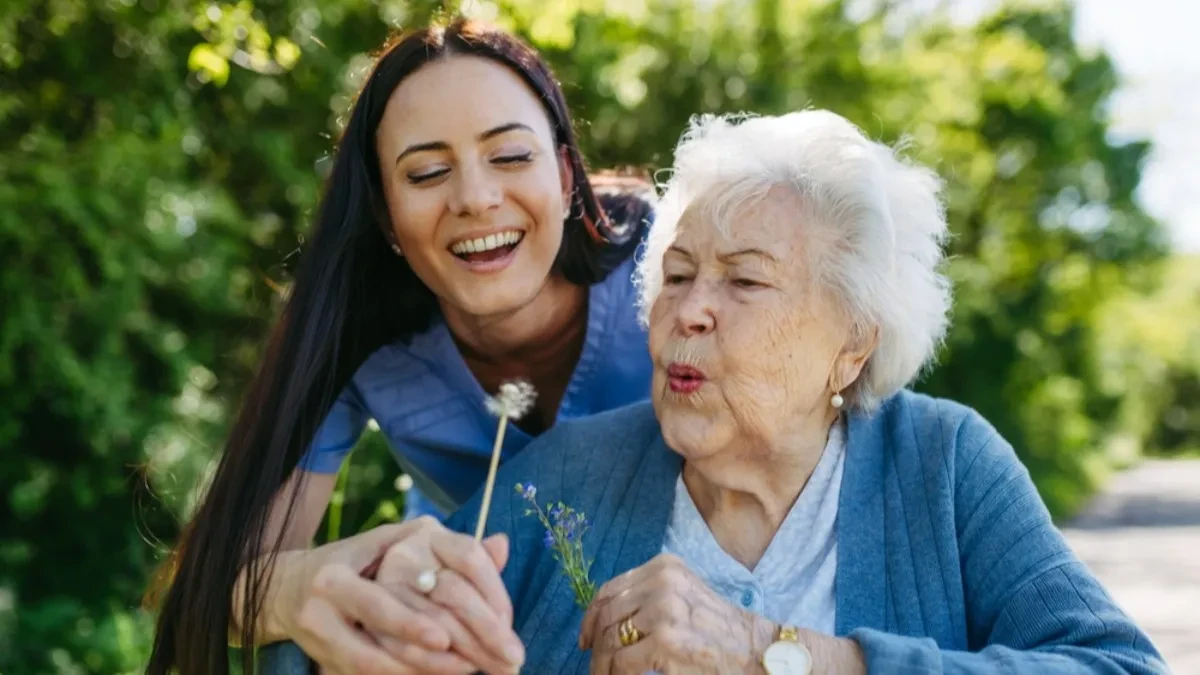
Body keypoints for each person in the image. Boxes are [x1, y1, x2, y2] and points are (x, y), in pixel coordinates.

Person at [268, 108, 1168, 674]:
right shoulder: (566, 472)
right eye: (679, 274)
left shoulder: (943, 461)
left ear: (852, 344)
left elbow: (1116, 665)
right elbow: (362, 637)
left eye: (743, 282)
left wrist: (779, 655)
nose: (688, 313)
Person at [146, 18, 657, 675]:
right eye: (427, 172)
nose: (475, 197)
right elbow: (216, 585)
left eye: (509, 156)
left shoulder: (674, 261)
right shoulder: (358, 331)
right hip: (478, 627)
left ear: (564, 177)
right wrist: (315, 583)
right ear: (385, 217)